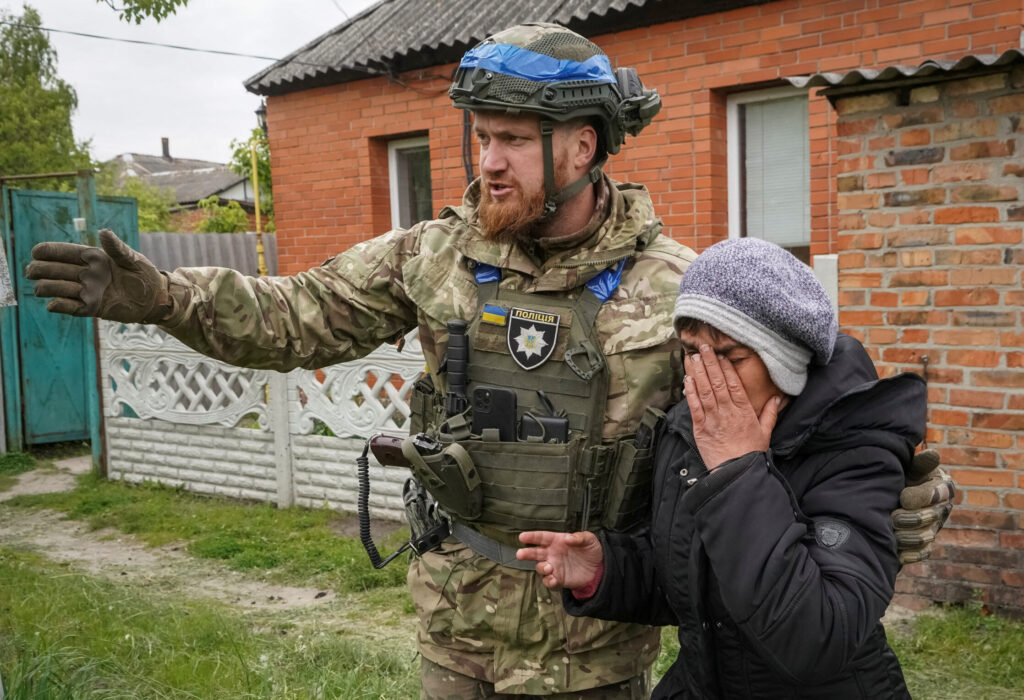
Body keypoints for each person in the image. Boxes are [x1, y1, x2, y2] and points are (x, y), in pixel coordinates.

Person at [25, 23, 951, 699]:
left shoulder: (680, 287)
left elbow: (796, 417)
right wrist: (160, 298)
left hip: (592, 640)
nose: (488, 161)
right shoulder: (431, 255)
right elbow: (293, 315)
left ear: (582, 146)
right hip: (456, 623)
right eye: (483, 136)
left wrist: (895, 496)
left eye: (513, 139)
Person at [517, 237, 924, 699]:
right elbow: (695, 580)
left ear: (784, 359)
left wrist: (739, 469)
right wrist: (608, 570)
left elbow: (817, 637)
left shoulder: (853, 447)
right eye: (692, 351)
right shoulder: (689, 430)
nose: (703, 376)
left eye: (730, 357)